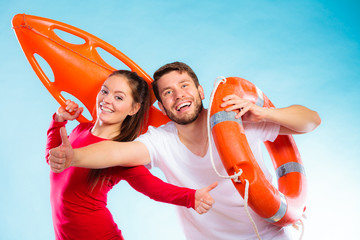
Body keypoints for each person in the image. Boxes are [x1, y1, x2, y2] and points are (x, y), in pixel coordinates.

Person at [49, 62, 321, 239]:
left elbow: (311, 121)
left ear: (200, 91)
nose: (178, 95)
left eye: (184, 86)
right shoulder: (160, 140)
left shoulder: (238, 121)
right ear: (163, 107)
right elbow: (116, 153)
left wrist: (262, 113)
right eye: (167, 93)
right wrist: (75, 156)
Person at [45, 69, 217, 240]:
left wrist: (191, 197)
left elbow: (154, 188)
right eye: (105, 91)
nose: (106, 100)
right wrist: (59, 120)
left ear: (133, 108)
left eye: (118, 97)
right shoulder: (81, 129)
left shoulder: (121, 154)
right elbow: (53, 159)